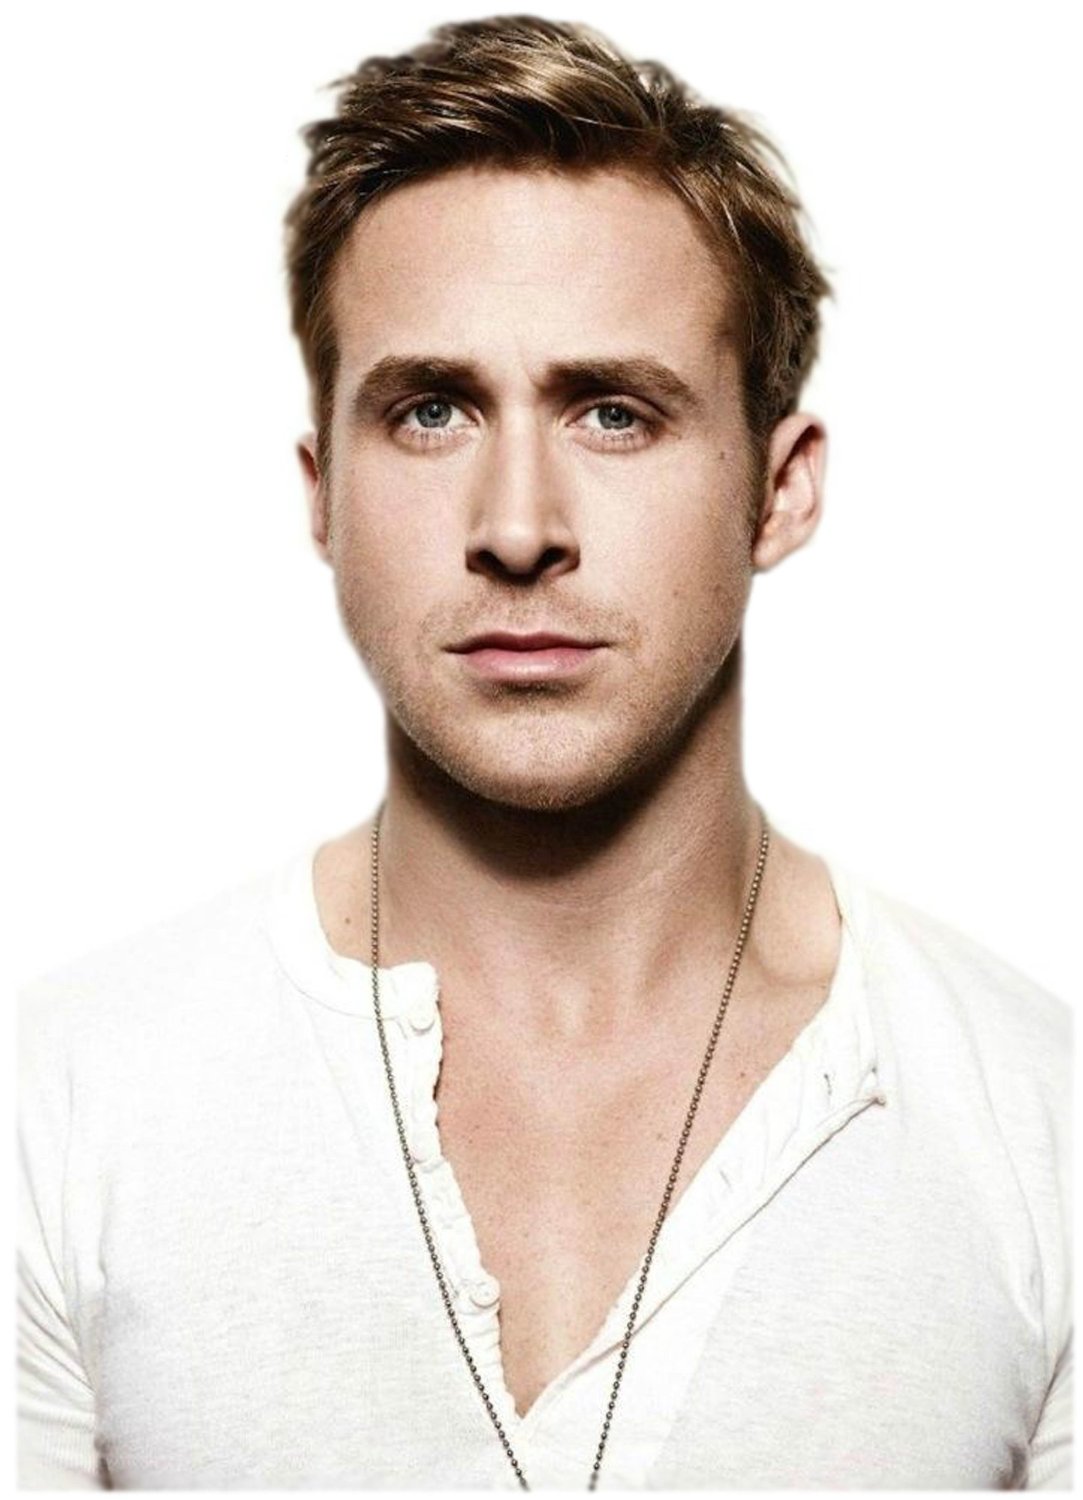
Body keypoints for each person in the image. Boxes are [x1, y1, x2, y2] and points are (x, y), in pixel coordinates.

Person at [17, 14, 1071, 1491]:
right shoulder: (59, 1109)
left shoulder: (1040, 1131)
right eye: (431, 412)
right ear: (322, 493)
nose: (518, 527)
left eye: (615, 413)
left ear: (778, 491)